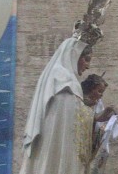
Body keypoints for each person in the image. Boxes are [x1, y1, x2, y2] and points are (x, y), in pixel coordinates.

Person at [19, 37, 95, 174]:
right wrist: (93, 116)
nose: (88, 66)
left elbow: (72, 119)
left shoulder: (64, 79)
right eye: (87, 59)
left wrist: (94, 117)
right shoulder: (62, 80)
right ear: (75, 55)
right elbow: (68, 123)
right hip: (56, 150)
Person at [81, 74, 118, 174]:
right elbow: (89, 118)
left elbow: (98, 119)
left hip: (89, 151)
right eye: (99, 91)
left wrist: (104, 127)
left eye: (102, 92)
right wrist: (97, 117)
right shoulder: (79, 102)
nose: (101, 95)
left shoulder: (97, 104)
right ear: (90, 89)